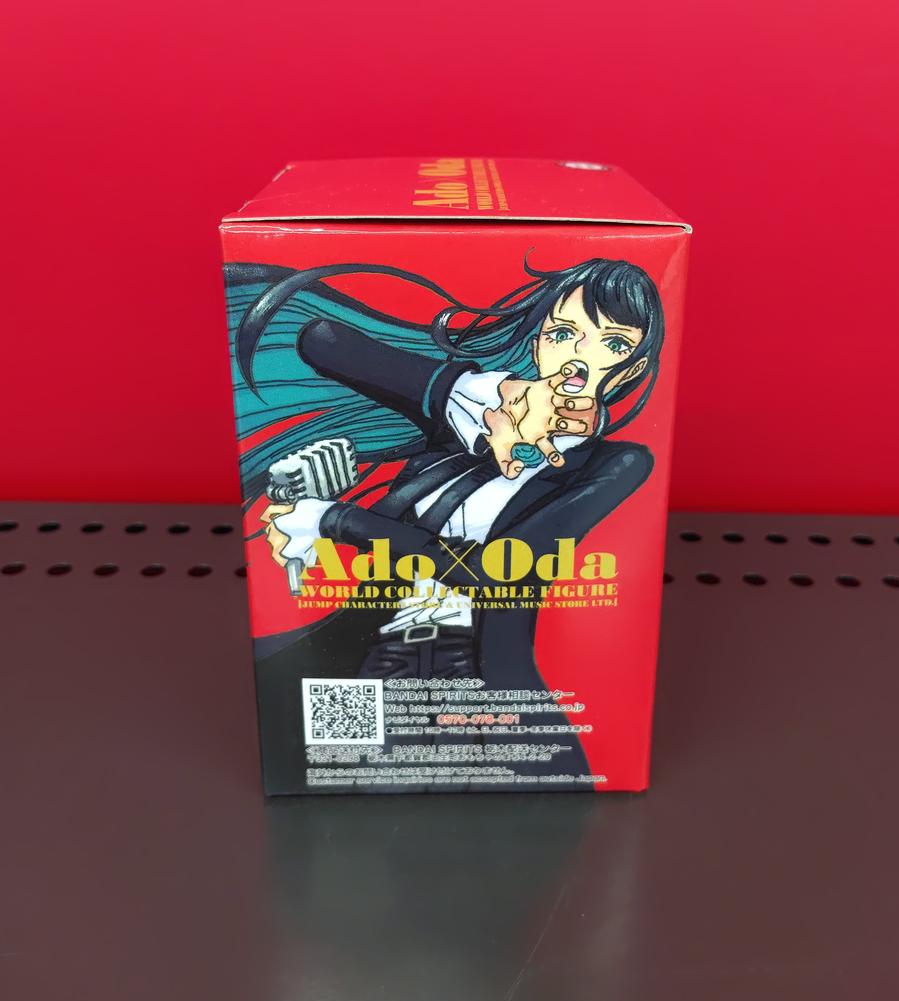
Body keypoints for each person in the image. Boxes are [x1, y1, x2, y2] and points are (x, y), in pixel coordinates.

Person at [225, 257, 665, 790]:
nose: (578, 357)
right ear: (538, 344)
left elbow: (494, 569)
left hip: (479, 682)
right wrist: (478, 395)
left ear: (631, 369)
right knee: (335, 804)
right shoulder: (458, 428)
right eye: (564, 333)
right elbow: (323, 341)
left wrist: (335, 519)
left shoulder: (614, 463)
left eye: (612, 344)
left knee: (533, 824)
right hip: (372, 661)